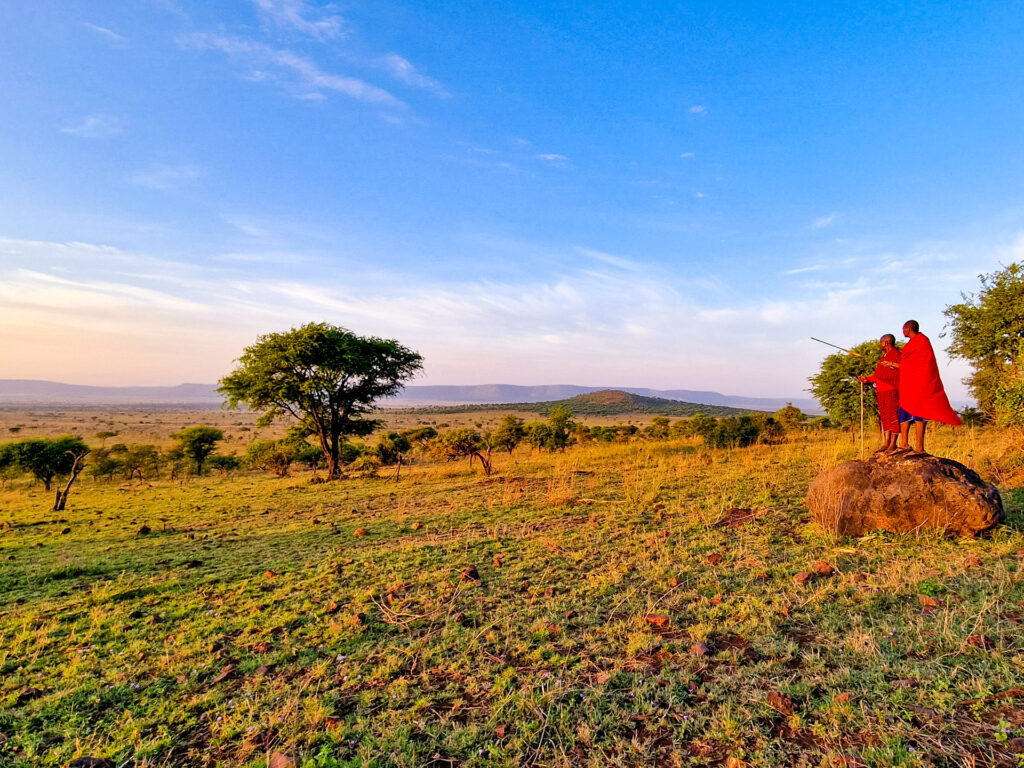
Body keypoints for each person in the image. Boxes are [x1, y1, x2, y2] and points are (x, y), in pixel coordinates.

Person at [881, 320, 962, 453]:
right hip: (908, 385)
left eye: (903, 329)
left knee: (919, 413)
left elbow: (920, 365)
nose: (902, 332)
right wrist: (891, 364)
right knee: (904, 411)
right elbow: (907, 364)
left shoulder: (922, 342)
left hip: (919, 384)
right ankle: (904, 443)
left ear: (907, 329)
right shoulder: (913, 343)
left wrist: (892, 364)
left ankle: (919, 447)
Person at [858, 333, 900, 452]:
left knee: (893, 416)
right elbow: (878, 375)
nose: (879, 344)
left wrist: (890, 365)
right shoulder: (884, 356)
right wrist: (866, 379)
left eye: (881, 342)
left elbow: (900, 370)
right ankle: (886, 442)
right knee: (885, 416)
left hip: (891, 389)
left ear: (886, 343)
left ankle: (893, 442)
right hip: (881, 391)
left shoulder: (896, 355)